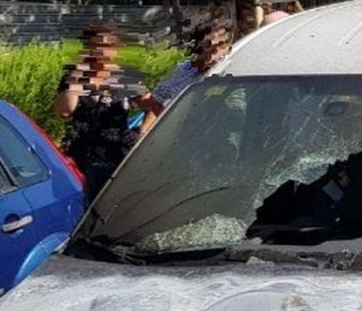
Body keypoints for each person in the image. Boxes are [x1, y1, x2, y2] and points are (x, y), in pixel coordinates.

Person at [55, 24, 147, 198]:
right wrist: (76, 80)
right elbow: (64, 112)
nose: (100, 52)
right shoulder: (74, 77)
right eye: (95, 46)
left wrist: (142, 133)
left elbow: (153, 107)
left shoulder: (125, 77)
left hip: (120, 153)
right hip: (86, 157)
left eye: (106, 47)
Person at [135, 20, 233, 132]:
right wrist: (143, 134)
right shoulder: (183, 69)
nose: (213, 51)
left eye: (221, 46)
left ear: (228, 50)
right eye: (209, 44)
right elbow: (156, 103)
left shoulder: (224, 76)